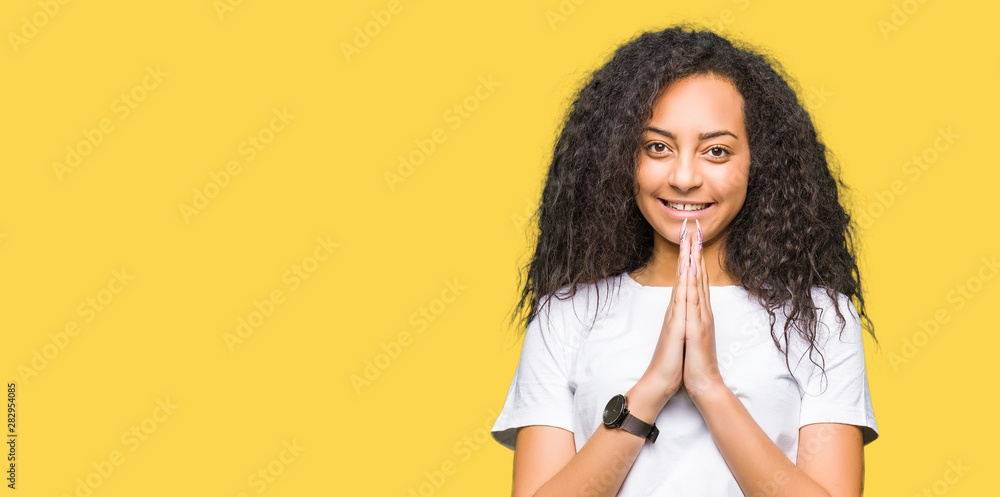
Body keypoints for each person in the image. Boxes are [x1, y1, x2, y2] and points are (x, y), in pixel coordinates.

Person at [490, 24, 880, 497]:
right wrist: (651, 388)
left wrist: (709, 388)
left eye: (716, 151)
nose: (684, 177)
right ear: (621, 158)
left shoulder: (820, 318)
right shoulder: (565, 316)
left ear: (759, 162)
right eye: (658, 147)